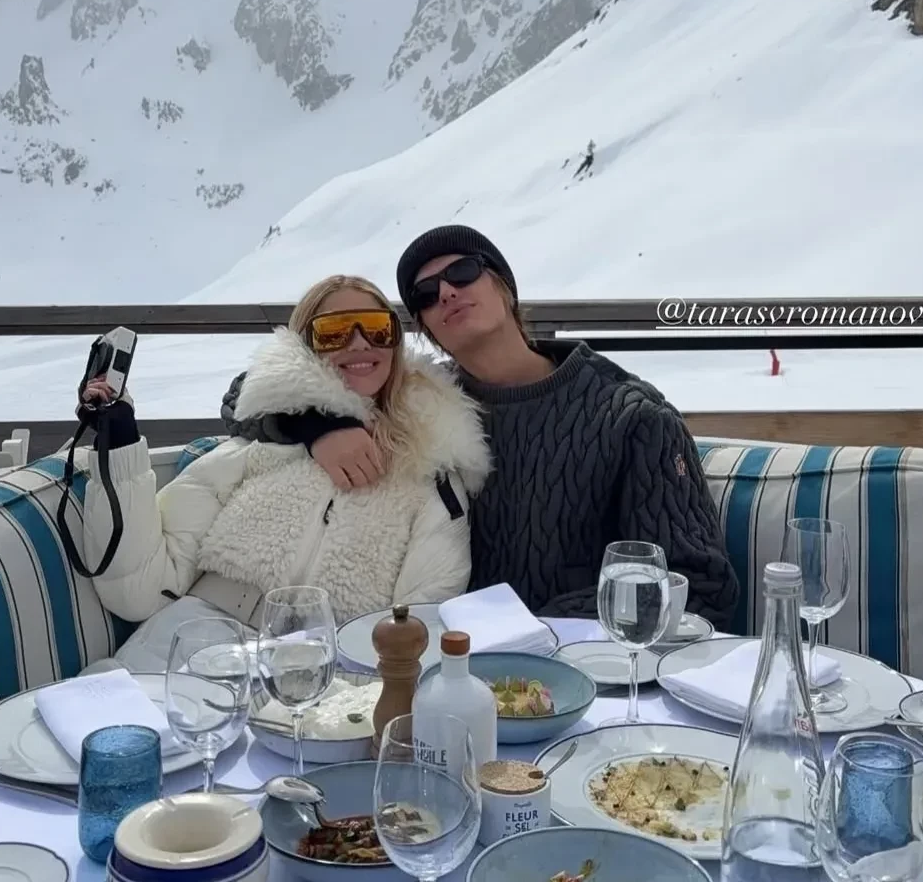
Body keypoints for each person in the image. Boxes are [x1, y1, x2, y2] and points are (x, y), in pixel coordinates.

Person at [222, 228, 738, 627]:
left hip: (581, 668)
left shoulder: (630, 416)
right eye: (425, 294)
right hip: (438, 660)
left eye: (463, 272)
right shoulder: (421, 403)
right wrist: (318, 424)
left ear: (505, 288)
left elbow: (698, 584)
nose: (446, 292)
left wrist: (534, 627)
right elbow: (243, 397)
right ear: (425, 329)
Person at [80, 273, 490, 655]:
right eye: (334, 331)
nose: (359, 342)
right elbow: (139, 589)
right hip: (187, 649)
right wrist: (118, 438)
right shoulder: (255, 447)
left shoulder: (428, 475)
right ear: (304, 346)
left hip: (323, 674)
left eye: (377, 327)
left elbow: (416, 630)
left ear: (395, 342)